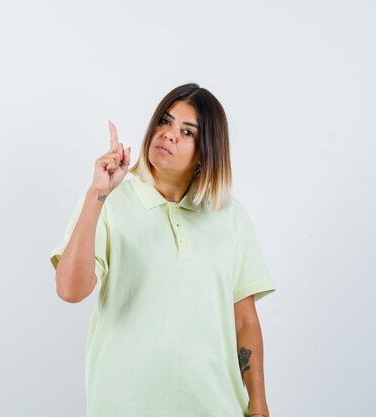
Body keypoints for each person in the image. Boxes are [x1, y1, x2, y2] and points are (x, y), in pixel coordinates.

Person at [49, 83, 276, 417]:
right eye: (165, 122)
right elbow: (69, 289)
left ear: (206, 152)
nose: (169, 135)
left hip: (215, 406)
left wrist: (258, 406)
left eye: (187, 132)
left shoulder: (230, 216)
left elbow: (244, 320)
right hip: (125, 406)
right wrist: (97, 194)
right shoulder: (109, 204)